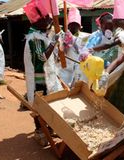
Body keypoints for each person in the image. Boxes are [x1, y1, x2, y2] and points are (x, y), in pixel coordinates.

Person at [23, 0, 63, 146]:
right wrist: (53, 43)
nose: (49, 21)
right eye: (46, 18)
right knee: (40, 105)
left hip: (47, 76)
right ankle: (40, 131)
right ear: (38, 21)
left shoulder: (40, 34)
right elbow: (41, 59)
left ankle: (50, 128)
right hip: (39, 79)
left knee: (51, 103)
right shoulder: (34, 39)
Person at [92, 0, 124, 116]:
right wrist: (106, 73)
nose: (115, 24)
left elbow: (110, 45)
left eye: (117, 21)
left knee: (122, 101)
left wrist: (92, 49)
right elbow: (122, 56)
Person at [59, 7, 89, 87]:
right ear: (68, 26)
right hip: (66, 69)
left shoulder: (86, 37)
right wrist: (64, 43)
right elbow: (60, 51)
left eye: (76, 25)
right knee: (64, 88)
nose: (73, 27)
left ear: (80, 27)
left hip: (80, 68)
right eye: (71, 25)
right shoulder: (63, 37)